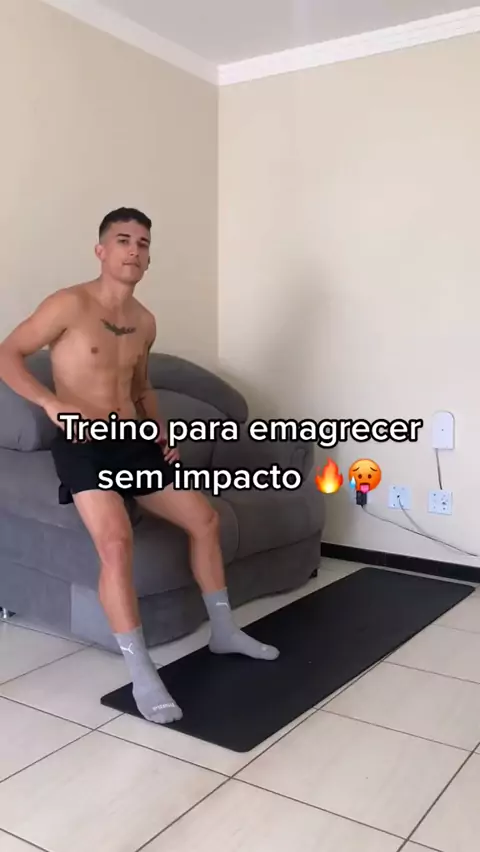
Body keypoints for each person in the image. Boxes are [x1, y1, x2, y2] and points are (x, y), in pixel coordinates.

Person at [0, 207, 279, 725]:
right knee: (115, 542)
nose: (134, 250)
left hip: (135, 442)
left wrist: (161, 429)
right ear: (101, 250)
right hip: (84, 444)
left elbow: (141, 386)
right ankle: (141, 670)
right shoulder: (69, 304)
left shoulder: (145, 321)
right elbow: (7, 354)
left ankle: (223, 631)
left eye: (143, 244)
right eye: (123, 240)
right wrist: (50, 403)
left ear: (148, 259)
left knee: (205, 519)